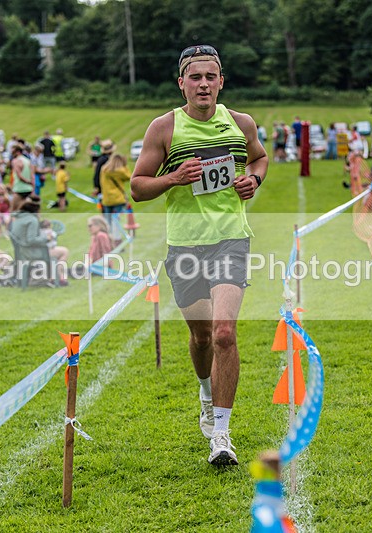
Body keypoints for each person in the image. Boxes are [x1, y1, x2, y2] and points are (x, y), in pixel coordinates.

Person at [130, 44, 268, 466]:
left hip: (231, 239)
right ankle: (206, 394)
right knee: (203, 336)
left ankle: (222, 435)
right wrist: (173, 178)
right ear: (182, 83)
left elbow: (259, 159)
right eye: (195, 77)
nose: (203, 84)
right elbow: (137, 187)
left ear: (221, 81)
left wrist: (253, 181)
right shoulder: (164, 128)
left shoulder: (241, 123)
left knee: (224, 332)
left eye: (211, 76)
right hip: (185, 245)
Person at [100, 153, 131, 244]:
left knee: (107, 221)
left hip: (106, 199)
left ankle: (108, 240)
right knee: (116, 220)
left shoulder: (104, 170)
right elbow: (129, 176)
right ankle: (117, 240)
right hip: (117, 198)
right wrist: (125, 165)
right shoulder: (119, 171)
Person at [10, 144, 33, 211]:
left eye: (13, 152)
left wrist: (27, 181)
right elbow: (32, 175)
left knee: (13, 211)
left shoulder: (16, 161)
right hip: (28, 188)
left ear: (18, 152)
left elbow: (19, 175)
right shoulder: (27, 160)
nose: (12, 154)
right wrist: (31, 184)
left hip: (19, 189)